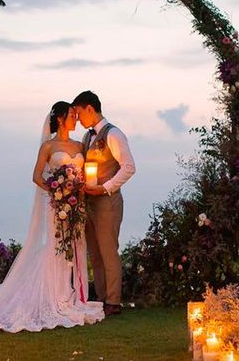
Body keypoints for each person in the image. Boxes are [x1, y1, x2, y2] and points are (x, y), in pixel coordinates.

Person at [0, 101, 104, 333]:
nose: (75, 119)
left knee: (76, 246)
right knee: (56, 247)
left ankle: (72, 295)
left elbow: (87, 173)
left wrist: (78, 186)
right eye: (71, 115)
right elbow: (37, 176)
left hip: (76, 206)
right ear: (60, 118)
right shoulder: (49, 147)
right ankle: (54, 296)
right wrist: (56, 190)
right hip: (57, 205)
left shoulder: (80, 145)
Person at [72, 91, 136, 317]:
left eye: (79, 113)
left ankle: (113, 301)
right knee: (95, 253)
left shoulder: (114, 134)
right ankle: (101, 298)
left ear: (90, 108)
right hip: (89, 203)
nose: (78, 119)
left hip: (108, 203)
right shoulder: (87, 138)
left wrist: (105, 187)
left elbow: (129, 167)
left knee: (109, 251)